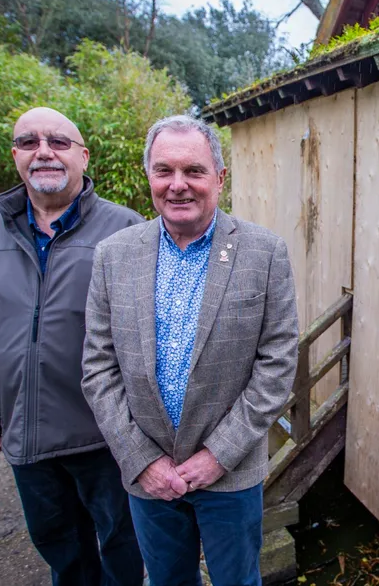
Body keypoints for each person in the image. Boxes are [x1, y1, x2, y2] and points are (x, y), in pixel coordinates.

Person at [81, 114, 298, 586]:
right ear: (149, 177)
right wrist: (142, 460)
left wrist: (218, 455)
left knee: (238, 580)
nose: (178, 185)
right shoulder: (113, 255)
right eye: (164, 171)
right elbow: (98, 368)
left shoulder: (265, 253)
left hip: (231, 472)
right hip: (148, 474)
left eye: (193, 171)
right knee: (167, 581)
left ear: (219, 178)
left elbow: (278, 363)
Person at [0, 107, 145, 586]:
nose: (44, 151)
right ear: (15, 155)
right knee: (59, 547)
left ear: (83, 156)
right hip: (23, 432)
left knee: (122, 544)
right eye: (29, 142)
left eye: (58, 141)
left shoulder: (125, 229)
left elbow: (149, 336)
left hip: (104, 434)